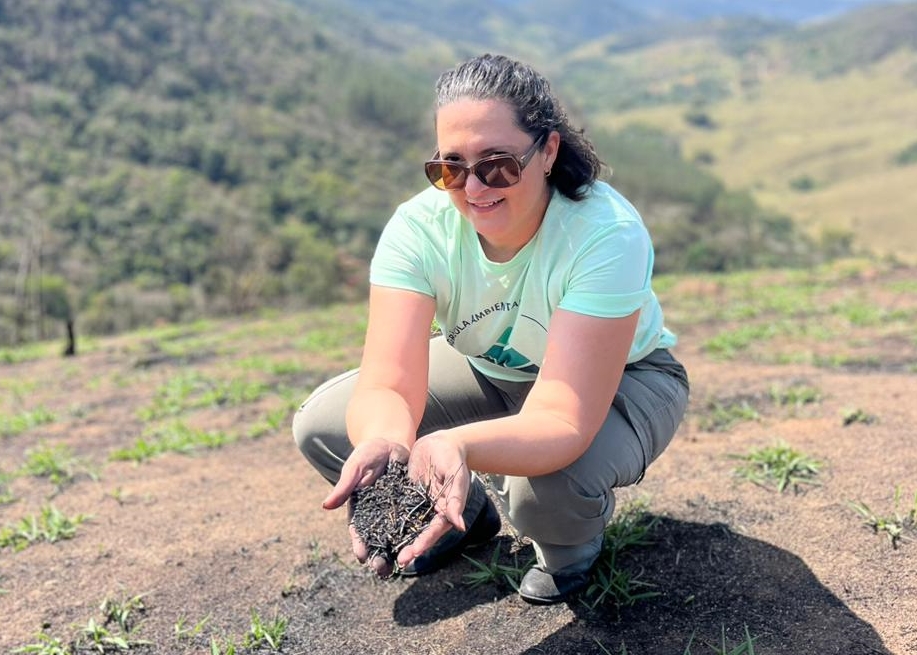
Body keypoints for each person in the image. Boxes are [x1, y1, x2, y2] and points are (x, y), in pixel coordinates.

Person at [292, 53, 688, 605]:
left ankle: (570, 550)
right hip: (491, 371)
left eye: (497, 164)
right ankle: (465, 513)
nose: (473, 187)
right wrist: (390, 442)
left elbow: (561, 420)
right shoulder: (418, 228)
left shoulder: (604, 234)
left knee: (541, 492)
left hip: (623, 378)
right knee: (325, 426)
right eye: (450, 168)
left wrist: (455, 442)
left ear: (548, 151)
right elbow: (387, 384)